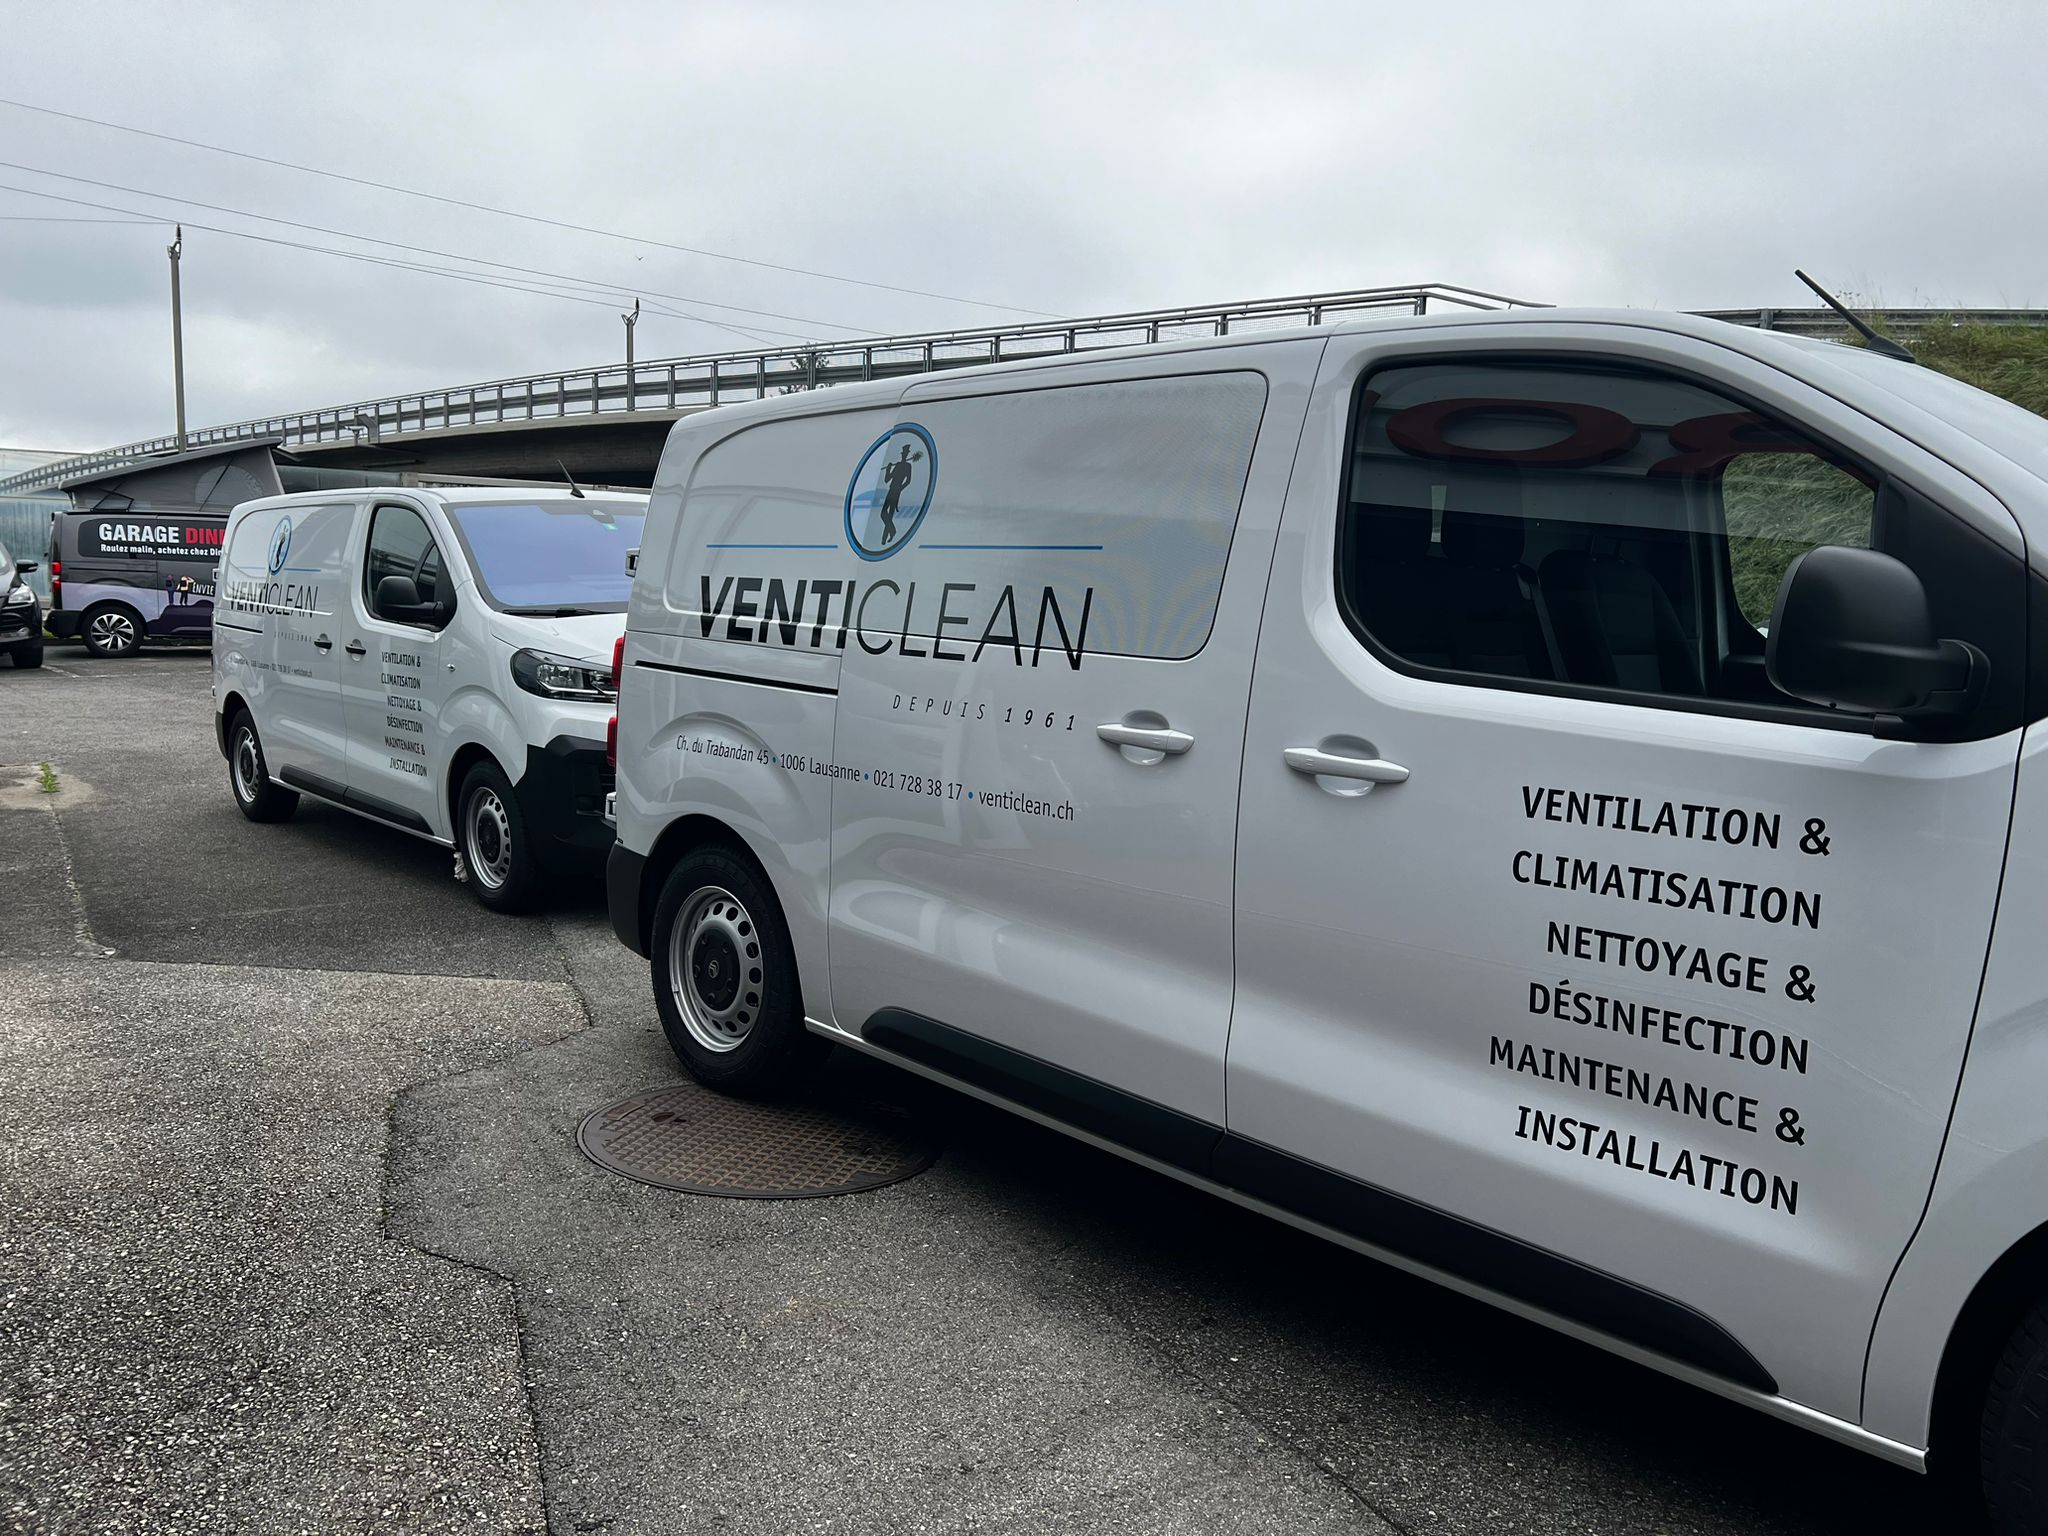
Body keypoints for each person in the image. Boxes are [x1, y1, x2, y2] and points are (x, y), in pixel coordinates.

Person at [876, 442, 922, 546]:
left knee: (890, 514)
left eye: (905, 454)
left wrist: (900, 489)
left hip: (896, 492)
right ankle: (892, 531)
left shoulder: (908, 466)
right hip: (890, 489)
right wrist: (888, 469)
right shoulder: (897, 465)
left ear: (907, 455)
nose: (903, 455)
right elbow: (887, 479)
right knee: (883, 513)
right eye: (903, 453)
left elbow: (908, 480)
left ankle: (884, 539)